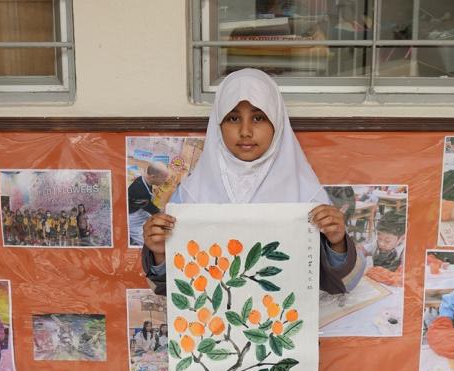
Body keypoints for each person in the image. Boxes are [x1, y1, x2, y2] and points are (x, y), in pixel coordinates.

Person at [142, 68, 364, 295]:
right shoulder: (191, 195)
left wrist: (337, 243)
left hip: (282, 315)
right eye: (233, 118)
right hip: (213, 316)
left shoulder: (306, 195)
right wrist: (159, 252)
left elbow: (345, 283)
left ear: (276, 122)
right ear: (218, 124)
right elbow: (173, 289)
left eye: (258, 118)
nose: (245, 131)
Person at [128, 162, 169, 246]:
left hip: (141, 210)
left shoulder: (145, 179)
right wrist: (164, 212)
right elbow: (154, 210)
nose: (165, 181)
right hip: (133, 219)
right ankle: (131, 239)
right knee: (148, 243)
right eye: (163, 179)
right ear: (153, 177)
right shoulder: (139, 191)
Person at [361, 211, 406, 287]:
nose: (381, 243)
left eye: (387, 241)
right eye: (379, 238)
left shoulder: (405, 251)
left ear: (402, 238)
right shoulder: (376, 243)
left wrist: (375, 272)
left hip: (394, 288)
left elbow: (402, 278)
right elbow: (362, 250)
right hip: (375, 285)